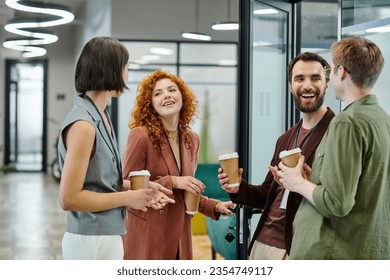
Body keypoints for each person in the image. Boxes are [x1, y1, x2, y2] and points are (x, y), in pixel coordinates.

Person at [58, 37, 174, 260]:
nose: (128, 74)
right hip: (89, 240)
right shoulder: (84, 125)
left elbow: (98, 182)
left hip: (107, 233)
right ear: (112, 71)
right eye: (126, 67)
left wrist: (141, 188)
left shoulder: (101, 115)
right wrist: (129, 198)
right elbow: (69, 198)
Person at [277, 37, 390, 259]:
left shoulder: (346, 122)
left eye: (330, 69)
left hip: (336, 253)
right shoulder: (383, 120)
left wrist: (297, 183)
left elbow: (337, 203)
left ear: (341, 72)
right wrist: (313, 178)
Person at [218, 52, 335, 260]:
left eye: (315, 78)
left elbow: (336, 200)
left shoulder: (337, 132)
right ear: (291, 86)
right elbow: (266, 195)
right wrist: (238, 188)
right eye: (299, 78)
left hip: (298, 246)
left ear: (327, 84)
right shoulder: (286, 138)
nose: (307, 85)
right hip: (262, 243)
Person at [122, 69, 235, 260]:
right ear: (150, 104)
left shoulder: (192, 139)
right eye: (158, 93)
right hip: (148, 232)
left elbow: (186, 190)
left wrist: (214, 206)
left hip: (180, 233)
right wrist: (173, 181)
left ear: (182, 96)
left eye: (171, 90)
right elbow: (126, 182)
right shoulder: (141, 135)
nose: (166, 95)